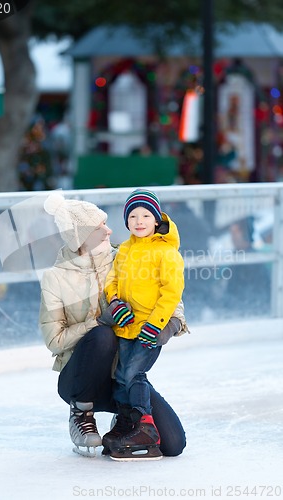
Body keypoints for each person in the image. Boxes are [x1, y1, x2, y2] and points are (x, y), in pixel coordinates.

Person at [39, 191, 187, 459]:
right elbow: (54, 340)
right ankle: (81, 412)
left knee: (174, 444)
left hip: (121, 373)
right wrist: (97, 322)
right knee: (103, 335)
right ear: (80, 236)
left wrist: (172, 323)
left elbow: (168, 293)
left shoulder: (125, 255)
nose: (109, 230)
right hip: (81, 377)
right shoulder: (56, 278)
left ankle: (126, 421)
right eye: (99, 227)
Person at [102, 189, 186, 460]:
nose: (139, 221)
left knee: (134, 376)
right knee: (121, 377)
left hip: (149, 329)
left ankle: (145, 428)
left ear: (156, 218)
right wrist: (114, 303)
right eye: (133, 216)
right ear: (126, 222)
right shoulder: (124, 249)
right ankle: (127, 423)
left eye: (146, 215)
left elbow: (172, 292)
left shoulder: (165, 252)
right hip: (125, 326)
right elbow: (111, 280)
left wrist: (156, 324)